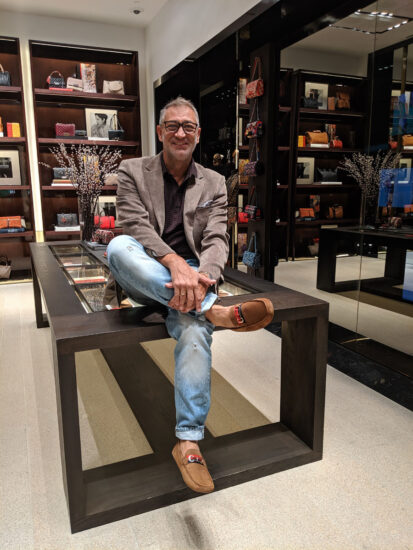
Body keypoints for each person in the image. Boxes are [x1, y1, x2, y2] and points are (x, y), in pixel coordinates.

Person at [107, 97, 274, 494]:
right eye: (172, 125)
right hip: (146, 270)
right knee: (117, 248)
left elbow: (217, 238)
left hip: (193, 282)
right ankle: (216, 311)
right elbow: (132, 225)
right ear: (160, 131)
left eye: (187, 127)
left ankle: (188, 442)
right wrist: (173, 263)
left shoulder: (214, 182)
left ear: (198, 135)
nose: (180, 132)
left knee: (194, 330)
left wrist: (202, 278)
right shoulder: (132, 171)